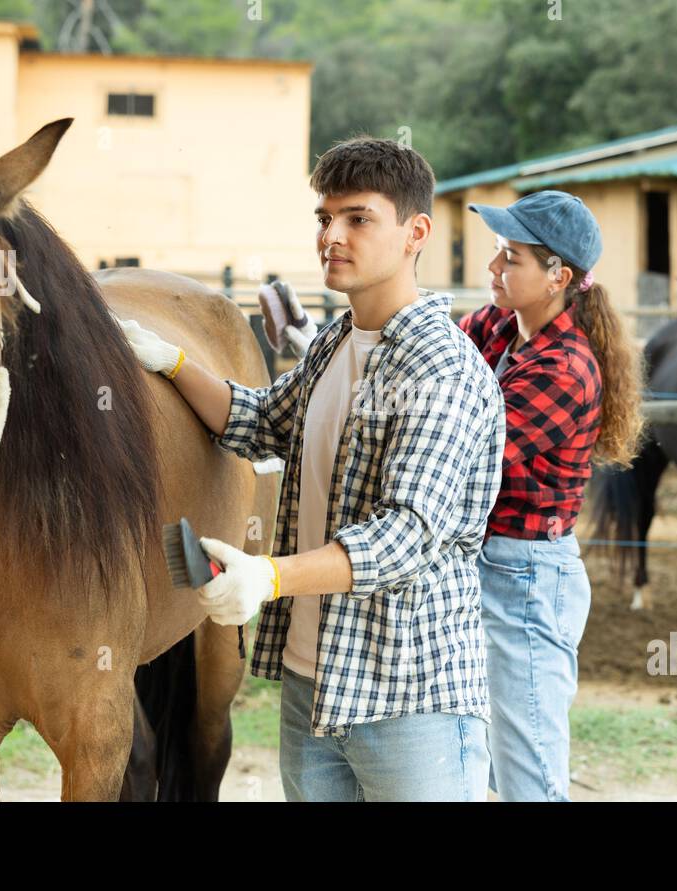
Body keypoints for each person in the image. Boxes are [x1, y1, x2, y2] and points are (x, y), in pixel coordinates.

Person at [119, 136, 506, 800]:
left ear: (417, 232)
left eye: (358, 218)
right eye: (324, 218)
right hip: (314, 682)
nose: (333, 235)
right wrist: (174, 363)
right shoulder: (334, 343)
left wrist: (266, 575)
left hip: (408, 699)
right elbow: (263, 419)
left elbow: (405, 535)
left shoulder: (440, 368)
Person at [458, 191, 645, 800]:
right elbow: (431, 351)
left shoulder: (564, 369)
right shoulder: (499, 327)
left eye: (510, 258)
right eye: (497, 253)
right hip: (484, 565)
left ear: (558, 276)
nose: (494, 269)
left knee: (529, 777)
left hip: (525, 580)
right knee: (482, 760)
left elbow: (467, 450)